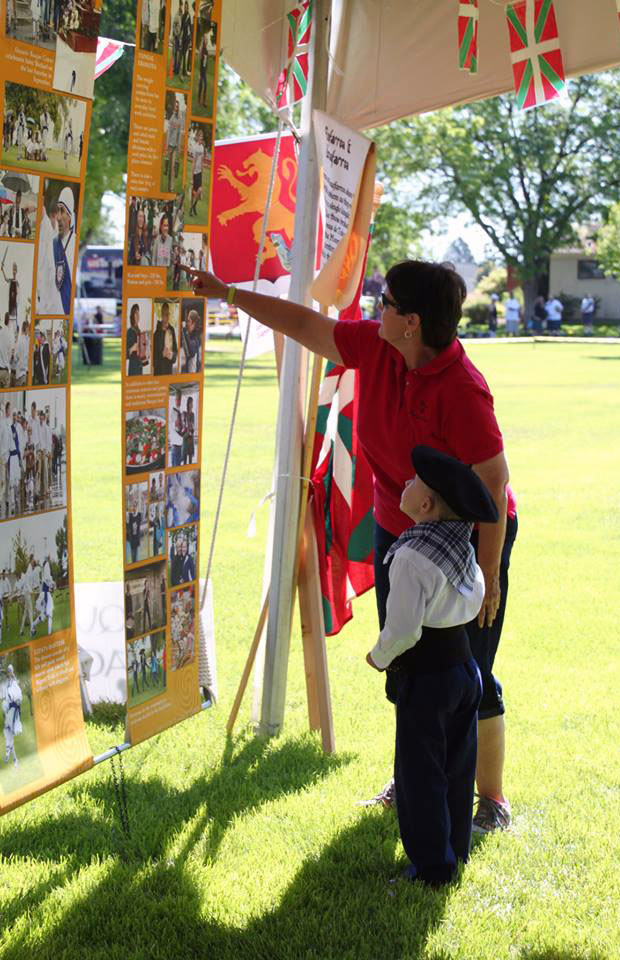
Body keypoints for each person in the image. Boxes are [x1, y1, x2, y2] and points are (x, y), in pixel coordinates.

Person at [187, 259, 518, 833]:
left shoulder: (463, 389)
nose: (374, 306)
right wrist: (229, 293)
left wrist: (487, 573)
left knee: (467, 667)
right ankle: (415, 776)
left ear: (411, 321)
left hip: (469, 536)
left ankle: (489, 800)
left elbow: (493, 480)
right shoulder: (379, 348)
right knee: (411, 664)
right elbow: (305, 327)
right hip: (402, 532)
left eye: (384, 301)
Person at [367, 445, 497, 885]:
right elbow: (475, 597)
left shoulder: (411, 556)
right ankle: (454, 851)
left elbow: (403, 629)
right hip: (465, 669)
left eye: (412, 482)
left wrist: (379, 656)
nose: (403, 484)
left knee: (420, 774)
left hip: (427, 677)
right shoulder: (458, 547)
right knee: (457, 767)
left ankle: (431, 869)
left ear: (425, 505)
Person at [37, 186, 75, 315]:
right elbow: (45, 287)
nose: (58, 217)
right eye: (57, 212)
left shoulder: (75, 245)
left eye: (62, 211)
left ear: (69, 215)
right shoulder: (51, 245)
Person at [3, 664, 23, 767]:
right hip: (10, 710)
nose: (9, 674)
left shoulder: (14, 683)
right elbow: (7, 699)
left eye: (10, 671)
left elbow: (18, 698)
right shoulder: (8, 684)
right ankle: (12, 757)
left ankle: (12, 757)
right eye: (8, 672)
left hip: (14, 710)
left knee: (9, 734)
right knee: (8, 734)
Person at [153, 301, 177, 374]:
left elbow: (175, 350)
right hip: (159, 371)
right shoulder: (156, 333)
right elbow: (153, 357)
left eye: (168, 314)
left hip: (169, 370)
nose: (167, 316)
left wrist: (172, 356)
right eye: (165, 314)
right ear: (161, 315)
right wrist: (162, 355)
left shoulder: (172, 330)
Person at [165, 99, 183, 192]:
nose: (176, 108)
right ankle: (169, 186)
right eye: (175, 106)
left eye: (177, 106)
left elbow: (179, 134)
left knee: (172, 167)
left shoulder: (179, 119)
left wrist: (179, 147)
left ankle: (171, 188)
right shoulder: (171, 118)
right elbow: (168, 132)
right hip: (170, 145)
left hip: (175, 146)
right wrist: (166, 145)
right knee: (168, 167)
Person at [126, 304, 148, 375]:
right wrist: (132, 349)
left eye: (138, 313)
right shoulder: (130, 331)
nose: (138, 316)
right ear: (132, 315)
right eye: (136, 313)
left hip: (140, 366)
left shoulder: (139, 330)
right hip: (133, 367)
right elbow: (125, 354)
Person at [189, 127, 205, 218]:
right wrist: (191, 178)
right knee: (194, 192)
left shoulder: (202, 148)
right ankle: (191, 209)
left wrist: (202, 174)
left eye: (202, 136)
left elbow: (202, 162)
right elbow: (193, 162)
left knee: (199, 191)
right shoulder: (195, 147)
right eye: (200, 136)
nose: (201, 138)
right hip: (194, 173)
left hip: (199, 173)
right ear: (198, 137)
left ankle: (194, 206)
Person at [127, 498, 143, 563]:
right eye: (133, 506)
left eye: (135, 506)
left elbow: (142, 511)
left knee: (137, 558)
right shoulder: (129, 515)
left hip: (137, 539)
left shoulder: (139, 515)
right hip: (132, 540)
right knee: (133, 558)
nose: (134, 507)